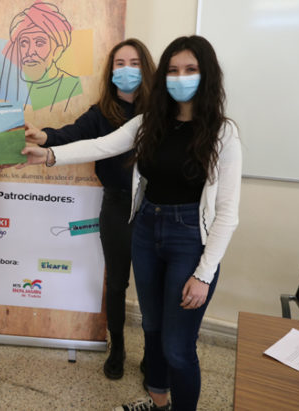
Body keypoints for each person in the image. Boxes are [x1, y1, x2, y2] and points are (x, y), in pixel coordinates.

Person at [21, 35, 241, 411]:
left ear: (207, 76)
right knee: (152, 330)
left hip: (189, 237)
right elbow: (102, 146)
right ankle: (158, 403)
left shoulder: (223, 133)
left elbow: (227, 213)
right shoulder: (149, 122)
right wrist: (49, 155)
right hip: (146, 230)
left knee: (178, 346)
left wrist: (204, 274)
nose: (180, 77)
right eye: (173, 70)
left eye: (190, 70)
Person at [24, 38, 155, 380]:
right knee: (116, 283)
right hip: (115, 203)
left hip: (155, 207)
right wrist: (44, 137)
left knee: (153, 285)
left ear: (148, 68)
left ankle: (153, 352)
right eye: (119, 64)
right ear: (111, 71)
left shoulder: (161, 111)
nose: (126, 70)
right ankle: (118, 347)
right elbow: (74, 135)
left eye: (134, 63)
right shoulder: (102, 112)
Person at [0, 2, 82, 111]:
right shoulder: (3, 88)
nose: (30, 52)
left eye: (39, 43)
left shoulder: (71, 87)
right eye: (24, 43)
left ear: (58, 51)